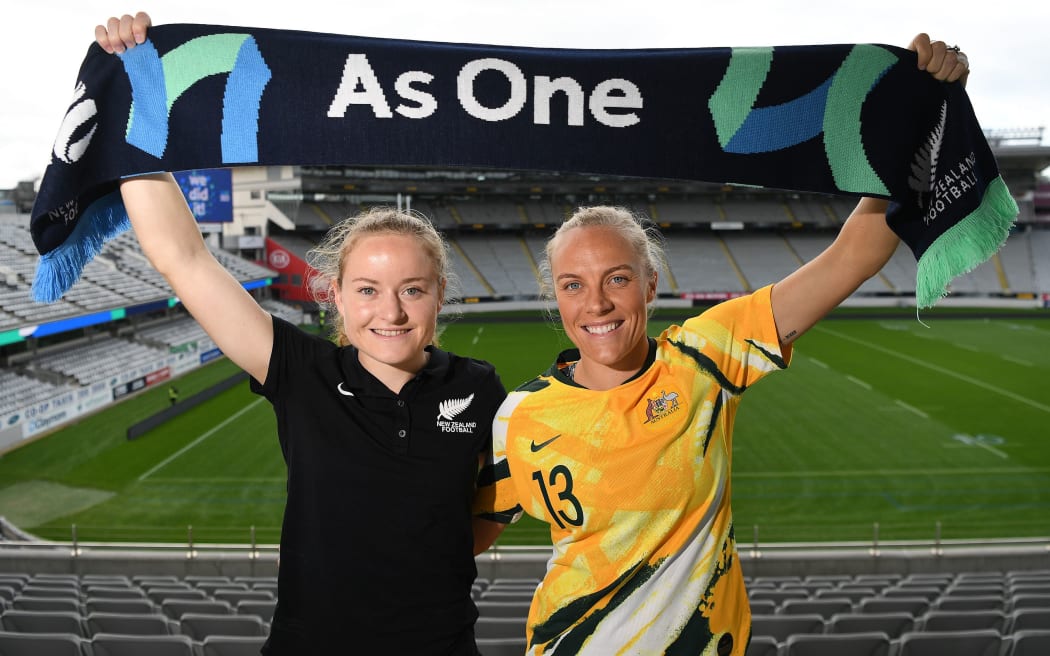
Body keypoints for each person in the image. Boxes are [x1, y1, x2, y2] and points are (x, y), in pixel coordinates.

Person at [472, 34, 970, 656]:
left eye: (617, 279)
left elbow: (854, 255)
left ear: (651, 284)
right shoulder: (520, 415)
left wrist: (922, 110)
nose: (595, 304)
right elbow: (468, 531)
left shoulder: (704, 356)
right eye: (573, 285)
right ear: (557, 296)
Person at [95, 13, 507, 655]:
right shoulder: (299, 370)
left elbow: (484, 512)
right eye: (367, 290)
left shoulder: (479, 385)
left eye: (412, 290)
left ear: (440, 296)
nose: (390, 312)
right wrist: (138, 88)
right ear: (336, 298)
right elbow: (184, 258)